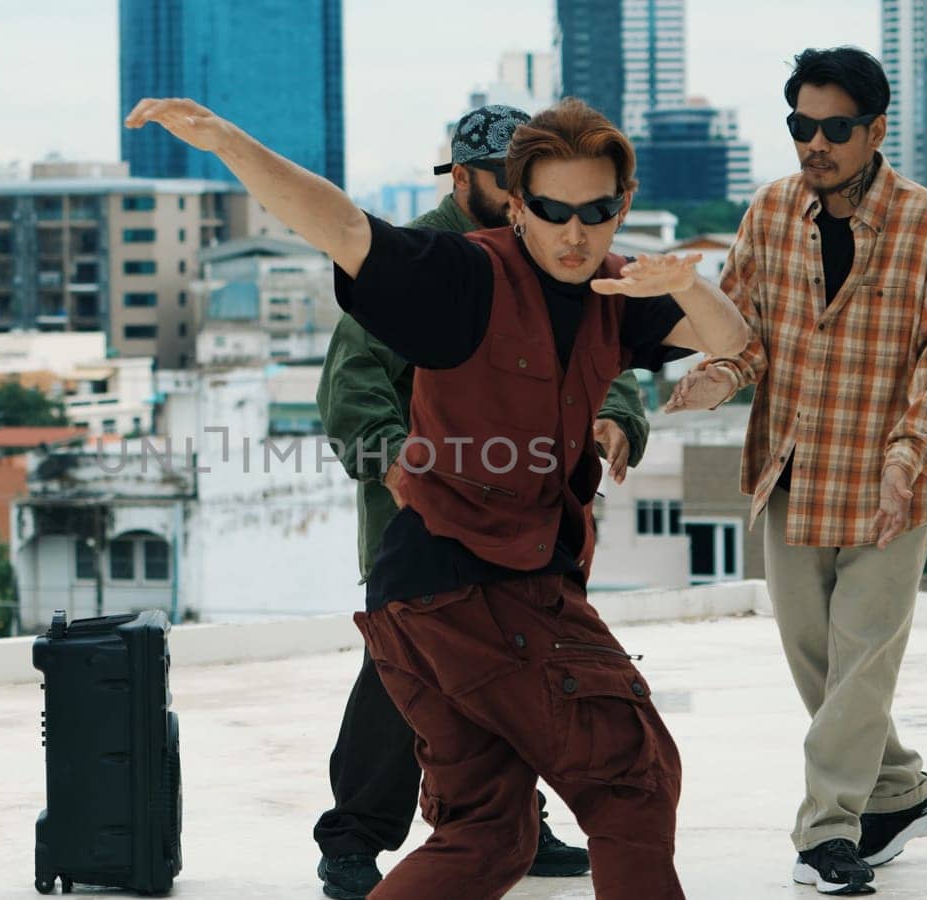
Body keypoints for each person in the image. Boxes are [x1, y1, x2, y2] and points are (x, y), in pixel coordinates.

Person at [128, 94, 751, 900]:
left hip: (431, 592)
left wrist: (681, 288)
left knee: (490, 834)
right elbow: (343, 228)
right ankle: (353, 833)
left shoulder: (613, 288)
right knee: (631, 778)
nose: (573, 233)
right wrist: (227, 141)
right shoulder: (462, 274)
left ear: (621, 205)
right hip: (475, 582)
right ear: (516, 204)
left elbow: (731, 340)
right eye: (552, 211)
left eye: (594, 213)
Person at [311, 103, 653, 899]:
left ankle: (513, 824)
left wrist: (618, 416)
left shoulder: (556, 249)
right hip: (426, 527)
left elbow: (616, 347)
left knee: (529, 671)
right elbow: (352, 387)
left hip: (533, 525)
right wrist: (399, 468)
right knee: (403, 683)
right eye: (513, 185)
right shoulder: (425, 258)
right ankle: (356, 835)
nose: (530, 201)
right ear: (465, 178)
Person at [665, 46, 927, 896]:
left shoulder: (925, 223)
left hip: (888, 483)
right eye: (802, 125)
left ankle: (828, 832)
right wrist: (714, 378)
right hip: (793, 469)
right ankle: (902, 788)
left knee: (863, 661)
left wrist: (909, 459)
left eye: (835, 128)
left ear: (875, 130)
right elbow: (744, 336)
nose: (815, 143)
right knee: (821, 663)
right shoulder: (768, 213)